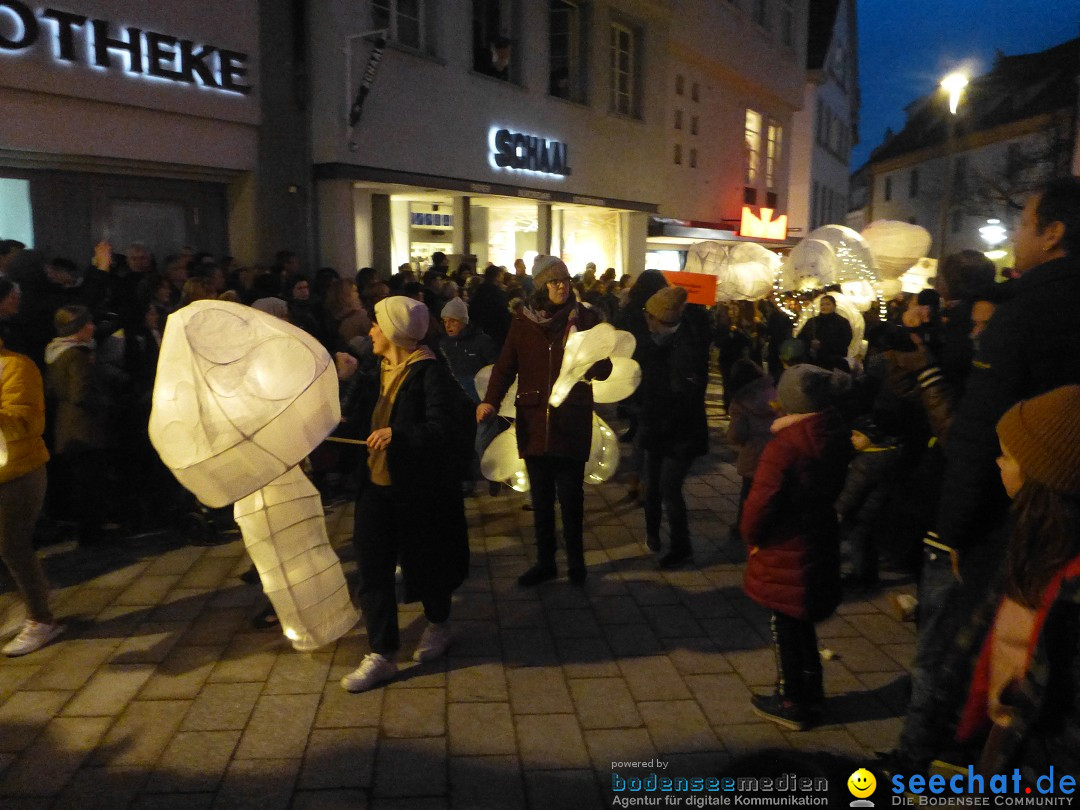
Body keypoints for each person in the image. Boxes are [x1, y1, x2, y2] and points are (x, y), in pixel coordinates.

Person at [887, 176, 1080, 775]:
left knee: (955, 641)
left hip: (1012, 507)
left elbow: (978, 433)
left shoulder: (1025, 312)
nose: (1018, 234)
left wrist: (952, 528)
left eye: (1025, 222)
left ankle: (924, 758)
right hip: (1060, 503)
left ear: (1053, 233)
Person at [340, 296, 470, 693]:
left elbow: (444, 428)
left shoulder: (431, 374)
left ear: (395, 331)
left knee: (426, 562)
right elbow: (358, 415)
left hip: (418, 491)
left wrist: (400, 434)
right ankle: (382, 653)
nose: (371, 331)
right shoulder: (375, 368)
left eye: (377, 325)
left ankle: (438, 623)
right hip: (375, 488)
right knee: (372, 568)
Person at [953, 385, 1080, 779]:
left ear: (1047, 480)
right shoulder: (1029, 545)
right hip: (1006, 738)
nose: (997, 463)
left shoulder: (1070, 590)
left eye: (1008, 456)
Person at [478, 256, 611, 586]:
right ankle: (545, 562)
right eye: (553, 282)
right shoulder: (523, 322)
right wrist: (490, 401)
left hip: (571, 419)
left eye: (565, 280)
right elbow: (506, 365)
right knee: (541, 500)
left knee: (571, 498)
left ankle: (576, 564)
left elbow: (605, 369)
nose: (561, 286)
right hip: (534, 419)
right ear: (540, 287)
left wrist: (590, 359)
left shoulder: (586, 318)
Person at [741, 364, 853, 730]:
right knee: (801, 618)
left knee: (784, 623)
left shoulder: (785, 447)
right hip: (817, 535)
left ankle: (791, 699)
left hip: (785, 544)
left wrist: (752, 536)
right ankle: (811, 690)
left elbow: (761, 503)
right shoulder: (831, 433)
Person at [0, 279, 61, 655]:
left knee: (13, 546)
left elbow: (27, 422)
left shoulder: (16, 368)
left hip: (18, 474)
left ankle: (42, 620)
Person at [637, 287, 710, 567]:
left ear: (659, 318)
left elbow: (684, 395)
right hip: (657, 426)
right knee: (652, 485)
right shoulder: (657, 341)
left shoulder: (686, 348)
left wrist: (663, 416)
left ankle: (681, 546)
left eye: (648, 315)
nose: (645, 319)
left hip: (680, 432)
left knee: (669, 487)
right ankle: (652, 534)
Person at [725, 359, 777, 544]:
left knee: (748, 494)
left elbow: (737, 434)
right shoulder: (772, 392)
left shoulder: (740, 402)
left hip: (753, 455)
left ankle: (742, 528)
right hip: (775, 452)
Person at [796, 295, 852, 370]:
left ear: (834, 306)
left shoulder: (842, 322)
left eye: (828, 304)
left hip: (833, 362)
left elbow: (844, 341)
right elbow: (801, 337)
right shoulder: (812, 321)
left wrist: (823, 345)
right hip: (812, 361)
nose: (824, 307)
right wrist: (810, 344)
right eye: (822, 304)